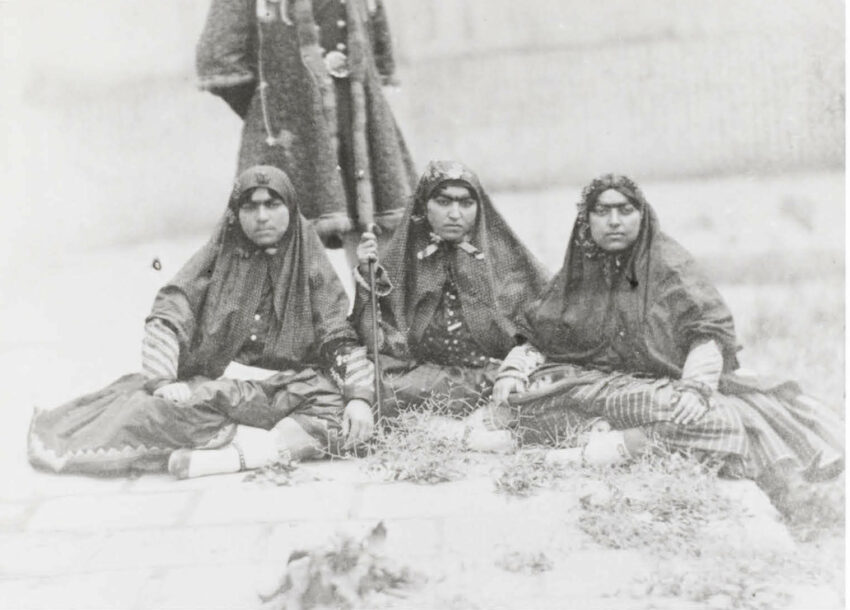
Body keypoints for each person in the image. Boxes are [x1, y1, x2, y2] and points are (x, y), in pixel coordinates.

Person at [490, 174, 844, 507]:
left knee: (734, 410)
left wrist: (694, 388)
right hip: (585, 385)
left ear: (642, 216)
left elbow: (706, 333)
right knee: (524, 410)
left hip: (659, 386)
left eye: (625, 210)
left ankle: (790, 493)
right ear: (587, 220)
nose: (614, 220)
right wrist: (513, 369)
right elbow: (541, 333)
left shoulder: (668, 266)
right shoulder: (577, 271)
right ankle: (606, 444)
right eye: (602, 211)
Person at [28, 166, 376, 478]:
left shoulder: (309, 260)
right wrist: (164, 380)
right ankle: (253, 445)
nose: (262, 217)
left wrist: (359, 397)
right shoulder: (217, 257)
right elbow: (169, 312)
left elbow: (338, 335)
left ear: (291, 208)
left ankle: (228, 455)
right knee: (156, 409)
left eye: (273, 205)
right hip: (218, 387)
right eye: (250, 207)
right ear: (235, 214)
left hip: (286, 389)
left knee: (343, 409)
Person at [196, 0, 416, 262]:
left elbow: (379, 47)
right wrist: (279, 109)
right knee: (276, 250)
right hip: (286, 136)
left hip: (361, 127)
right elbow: (220, 57)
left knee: (378, 259)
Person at [351, 160, 549, 425]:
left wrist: (513, 369)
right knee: (360, 386)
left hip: (492, 377)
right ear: (423, 205)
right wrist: (367, 276)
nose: (455, 214)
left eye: (466, 203)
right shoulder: (403, 260)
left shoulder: (506, 261)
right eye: (444, 202)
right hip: (422, 378)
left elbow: (545, 327)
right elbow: (376, 342)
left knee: (548, 383)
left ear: (480, 207)